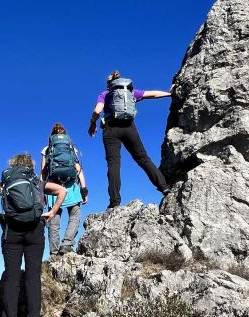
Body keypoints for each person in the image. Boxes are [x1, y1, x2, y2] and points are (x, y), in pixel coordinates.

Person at [0, 153, 66, 317]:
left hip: (11, 231)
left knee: (11, 277)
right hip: (35, 231)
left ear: (13, 166)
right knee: (32, 277)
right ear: (31, 166)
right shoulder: (38, 182)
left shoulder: (6, 182)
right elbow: (62, 190)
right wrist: (52, 212)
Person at [88, 70, 172, 209]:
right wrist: (169, 93)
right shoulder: (131, 92)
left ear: (109, 85)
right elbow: (152, 94)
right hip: (129, 127)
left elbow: (97, 111)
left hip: (111, 129)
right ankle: (164, 187)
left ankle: (114, 202)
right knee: (143, 159)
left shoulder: (105, 94)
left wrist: (92, 123)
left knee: (113, 164)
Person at [41, 123, 88, 255]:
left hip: (53, 188)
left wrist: (41, 193)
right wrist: (84, 190)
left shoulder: (46, 150)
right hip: (72, 187)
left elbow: (43, 173)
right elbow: (78, 170)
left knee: (53, 221)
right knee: (74, 216)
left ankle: (54, 253)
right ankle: (66, 245)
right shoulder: (71, 147)